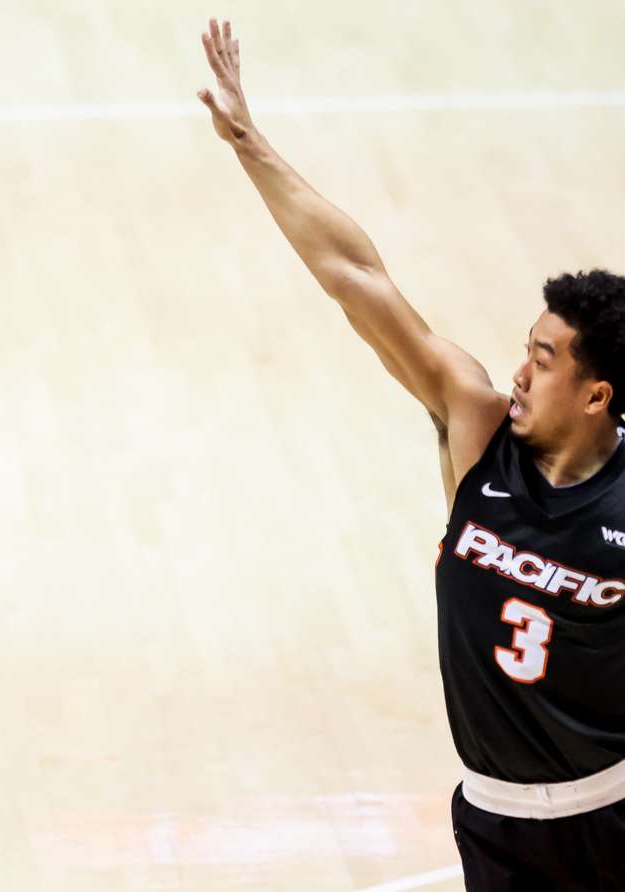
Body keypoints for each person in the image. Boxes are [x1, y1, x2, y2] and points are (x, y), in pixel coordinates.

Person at [197, 19, 625, 888]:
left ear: (596, 395)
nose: (517, 373)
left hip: (610, 814)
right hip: (495, 817)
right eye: (525, 348)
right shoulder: (476, 429)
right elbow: (359, 277)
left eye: (543, 361)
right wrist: (251, 145)